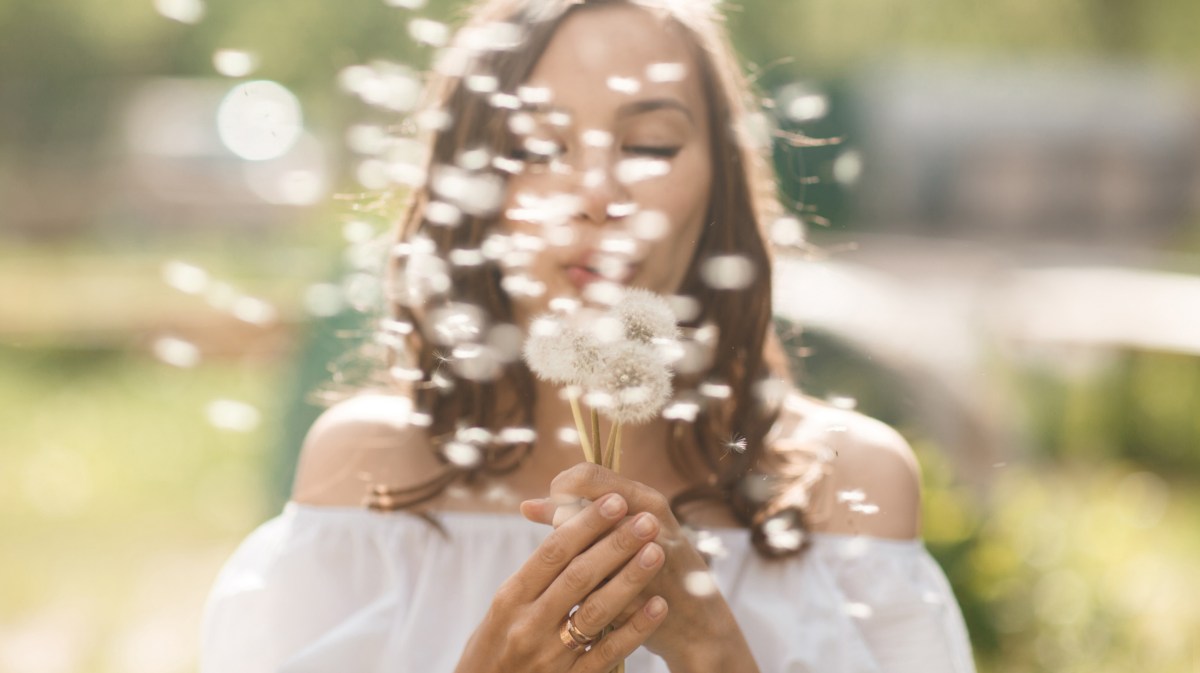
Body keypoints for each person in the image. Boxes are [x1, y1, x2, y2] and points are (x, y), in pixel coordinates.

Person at [201, 0, 976, 671]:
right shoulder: (372, 475)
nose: (598, 192)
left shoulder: (848, 487)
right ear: (472, 193)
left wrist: (708, 645)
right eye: (538, 148)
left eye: (650, 145)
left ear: (723, 183)